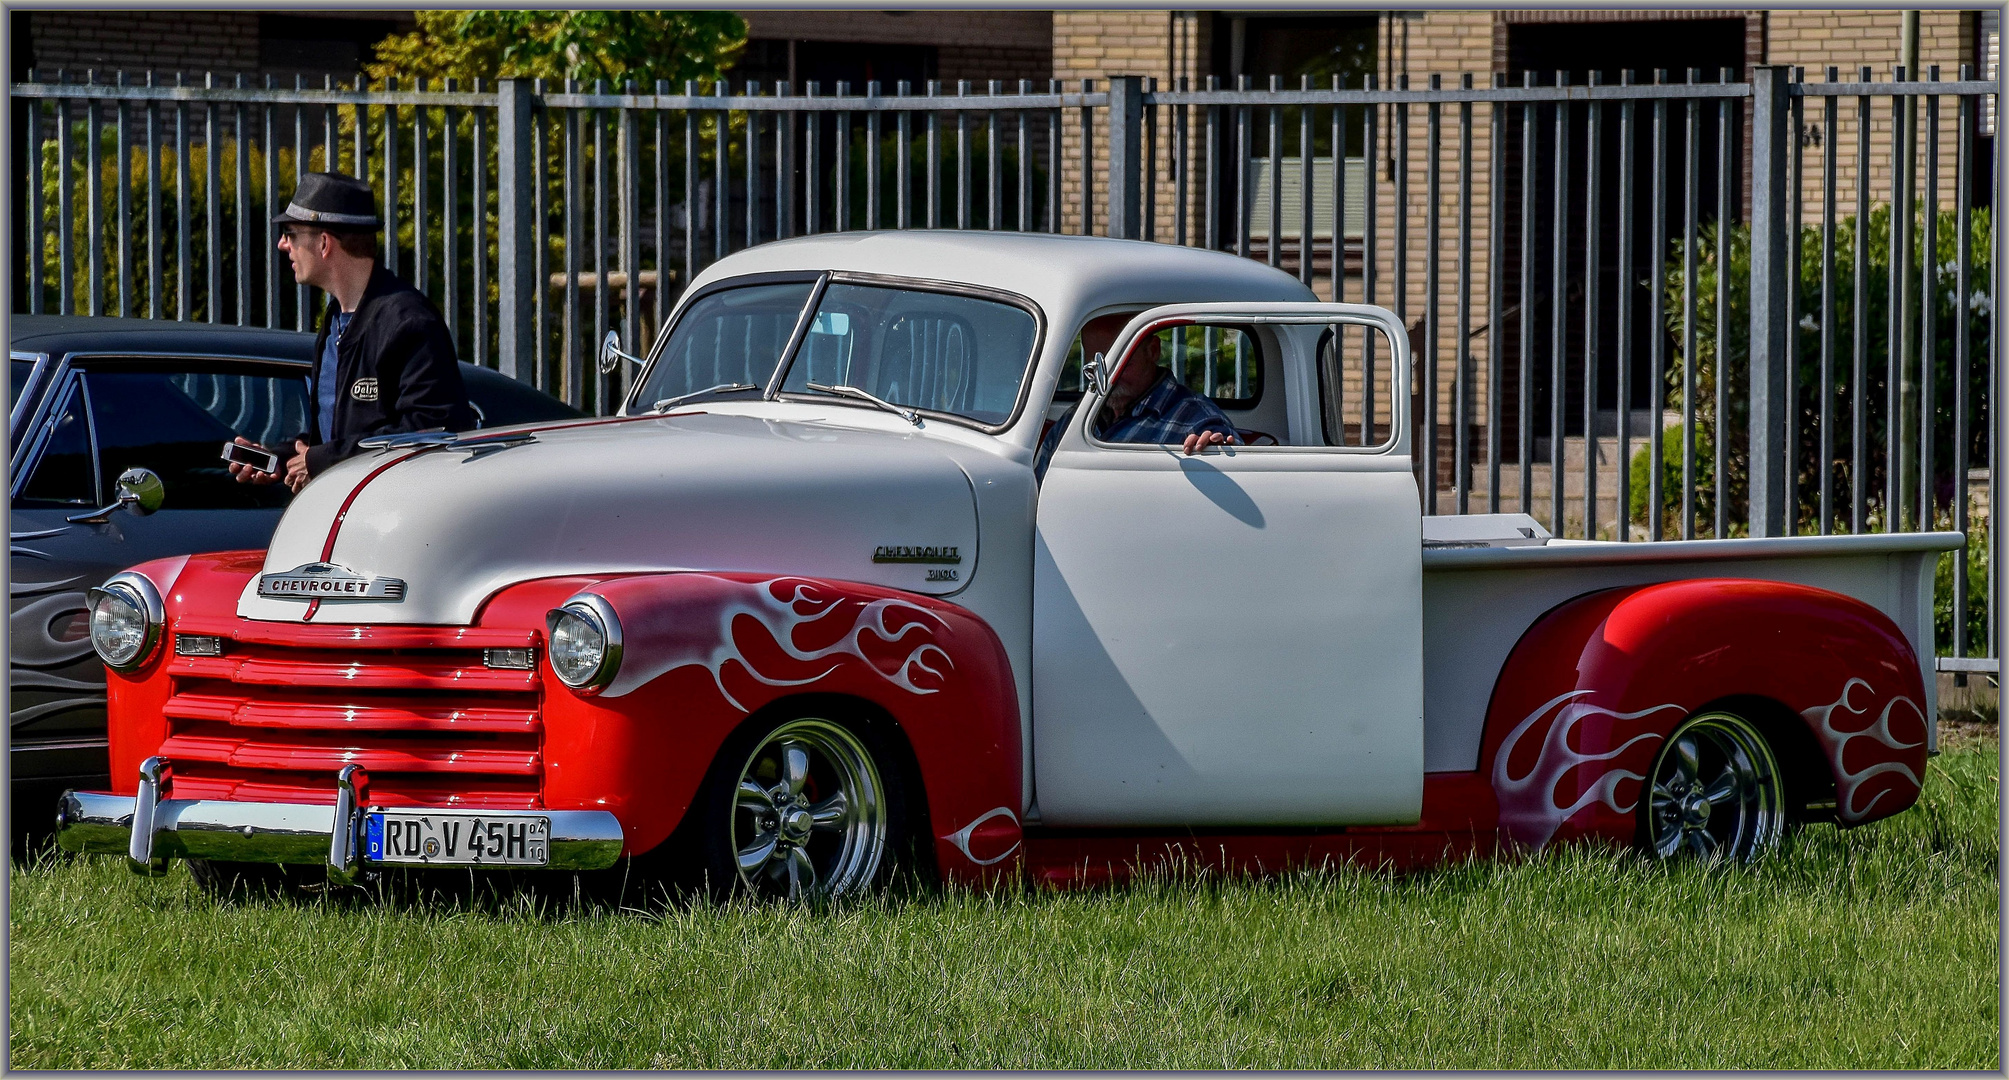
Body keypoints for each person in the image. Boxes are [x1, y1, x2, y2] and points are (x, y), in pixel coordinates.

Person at [230, 171, 472, 493]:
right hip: (344, 516)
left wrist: (321, 461)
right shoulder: (335, 321)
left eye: (290, 233)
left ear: (324, 243)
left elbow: (431, 431)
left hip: (391, 523)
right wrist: (284, 456)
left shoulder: (409, 322)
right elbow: (341, 434)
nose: (283, 244)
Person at [1034, 313, 1239, 479]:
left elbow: (1234, 459)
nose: (1108, 379)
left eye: (1120, 364)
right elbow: (1039, 487)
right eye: (1097, 367)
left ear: (1153, 351)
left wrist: (1214, 450)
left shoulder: (1196, 418)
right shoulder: (1078, 416)